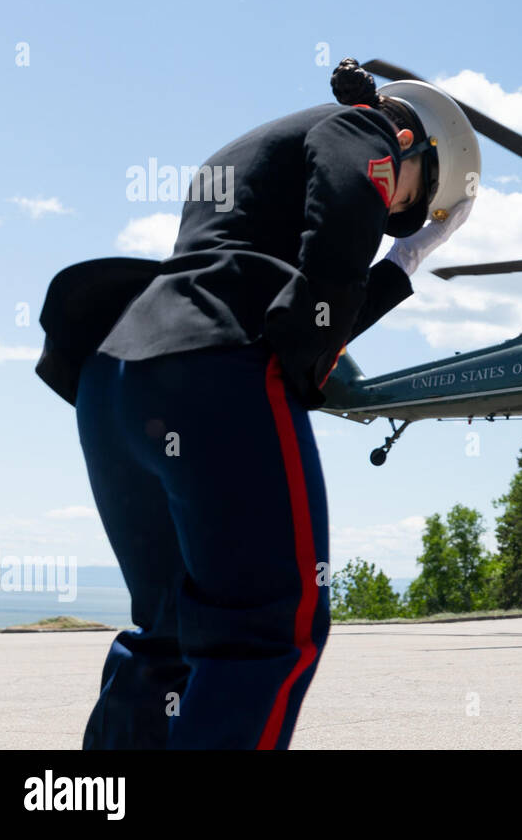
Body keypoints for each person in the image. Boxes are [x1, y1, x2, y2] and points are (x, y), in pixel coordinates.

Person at [35, 58, 480, 749]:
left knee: (169, 637)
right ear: (414, 148)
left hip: (116, 378)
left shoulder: (241, 150)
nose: (397, 216)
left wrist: (399, 268)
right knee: (267, 632)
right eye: (407, 206)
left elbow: (272, 289)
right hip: (215, 381)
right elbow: (326, 253)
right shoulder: (366, 128)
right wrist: (302, 367)